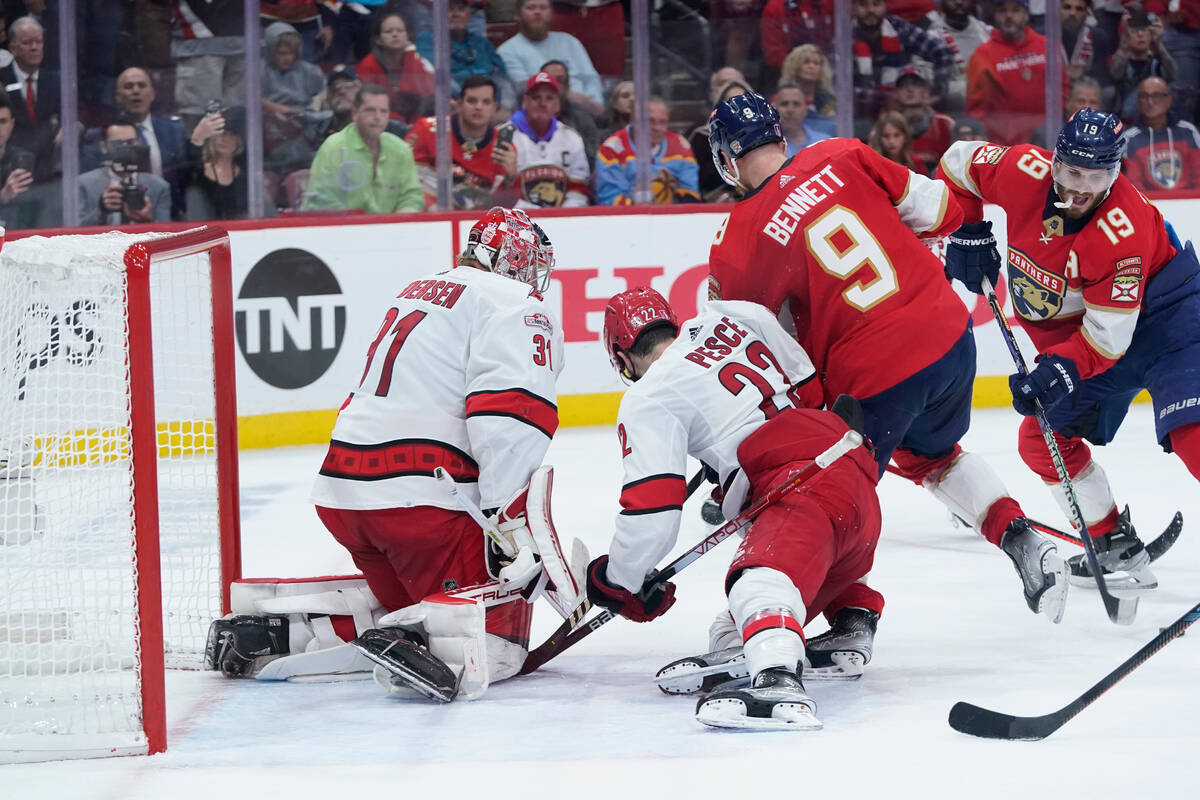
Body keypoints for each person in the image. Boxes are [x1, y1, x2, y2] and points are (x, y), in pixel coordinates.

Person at [706, 92, 1068, 657]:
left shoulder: (739, 238)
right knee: (933, 454)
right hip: (950, 336)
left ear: (727, 159)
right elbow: (943, 211)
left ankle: (821, 618)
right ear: (779, 136)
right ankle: (1021, 537)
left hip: (872, 374)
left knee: (825, 494)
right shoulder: (841, 152)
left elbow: (756, 355)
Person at [208, 208, 569, 701]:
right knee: (496, 641)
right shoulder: (512, 301)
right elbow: (510, 417)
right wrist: (506, 521)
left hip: (343, 494)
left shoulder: (418, 287)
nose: (536, 280)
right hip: (422, 505)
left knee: (417, 602)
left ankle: (280, 631)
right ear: (515, 262)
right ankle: (416, 636)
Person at [589, 286, 881, 730]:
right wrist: (731, 453)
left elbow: (653, 517)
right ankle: (850, 622)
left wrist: (619, 580)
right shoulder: (733, 314)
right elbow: (808, 389)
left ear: (623, 359)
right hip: (854, 474)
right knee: (733, 628)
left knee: (756, 587)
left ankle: (776, 681)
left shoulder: (648, 396)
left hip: (798, 490)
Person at [937, 107, 1200, 587]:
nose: (1080, 188)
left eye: (1096, 176)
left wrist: (1058, 371)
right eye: (1072, 171)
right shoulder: (1024, 171)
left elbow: (1107, 339)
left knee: (1192, 435)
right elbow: (958, 162)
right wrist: (968, 230)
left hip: (1170, 322)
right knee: (1040, 439)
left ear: (1115, 171)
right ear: (1054, 161)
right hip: (1105, 332)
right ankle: (1112, 543)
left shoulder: (1121, 229)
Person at [302, 85, 424, 213]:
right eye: (370, 110)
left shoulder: (400, 149)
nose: (377, 117)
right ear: (355, 113)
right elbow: (323, 201)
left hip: (387, 229)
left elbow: (412, 197)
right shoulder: (333, 147)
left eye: (383, 111)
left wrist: (400, 223)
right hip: (340, 228)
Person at [405, 75, 513, 209]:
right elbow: (404, 180)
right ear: (460, 104)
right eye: (472, 101)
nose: (478, 107)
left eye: (486, 102)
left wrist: (511, 178)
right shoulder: (427, 130)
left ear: (494, 108)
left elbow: (500, 205)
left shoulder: (503, 147)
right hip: (428, 218)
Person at [966, 0, 1058, 145]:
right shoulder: (982, 55)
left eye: (1015, 10)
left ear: (1026, 15)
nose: (1008, 16)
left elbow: (1062, 91)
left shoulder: (1046, 45)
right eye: (1003, 11)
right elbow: (977, 110)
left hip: (1047, 139)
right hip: (1003, 145)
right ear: (995, 16)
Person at [851, 0, 955, 126]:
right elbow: (842, 90)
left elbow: (942, 52)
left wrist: (936, 94)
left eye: (876, 4)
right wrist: (884, 98)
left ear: (885, 6)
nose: (871, 10)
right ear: (853, 8)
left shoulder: (897, 26)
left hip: (901, 108)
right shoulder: (844, 33)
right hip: (859, 112)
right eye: (863, 5)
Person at [112, 66, 188, 220]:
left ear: (152, 94)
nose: (136, 91)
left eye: (142, 85)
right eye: (128, 86)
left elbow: (184, 179)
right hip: (120, 221)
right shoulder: (107, 133)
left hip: (168, 219)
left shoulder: (175, 132)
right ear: (118, 96)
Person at [497, 0, 604, 106]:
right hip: (543, 109)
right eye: (531, 8)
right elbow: (526, 89)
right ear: (518, 15)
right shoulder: (507, 50)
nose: (538, 12)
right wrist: (576, 99)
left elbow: (591, 78)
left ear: (552, 14)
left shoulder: (569, 41)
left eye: (543, 8)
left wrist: (596, 103)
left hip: (588, 108)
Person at [507, 71, 589, 208]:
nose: (543, 103)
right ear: (525, 102)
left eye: (549, 98)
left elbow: (578, 190)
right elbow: (502, 194)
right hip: (518, 221)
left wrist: (563, 217)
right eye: (536, 97)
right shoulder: (504, 136)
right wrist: (541, 216)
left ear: (558, 105)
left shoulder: (572, 138)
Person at [594, 98, 699, 206]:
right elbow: (610, 199)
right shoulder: (611, 149)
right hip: (628, 219)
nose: (657, 128)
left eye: (662, 122)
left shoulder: (681, 146)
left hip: (669, 219)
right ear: (632, 120)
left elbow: (690, 193)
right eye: (650, 121)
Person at [416, 0, 514, 109]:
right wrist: (465, 104)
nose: (455, 14)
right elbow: (436, 76)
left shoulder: (481, 43)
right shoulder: (428, 40)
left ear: (468, 15)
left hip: (490, 106)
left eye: (461, 9)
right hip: (454, 107)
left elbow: (502, 76)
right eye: (449, 10)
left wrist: (503, 107)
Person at [78, 115, 172, 226]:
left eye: (131, 142)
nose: (125, 149)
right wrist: (100, 211)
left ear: (139, 144)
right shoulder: (83, 184)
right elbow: (73, 231)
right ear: (103, 147)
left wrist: (147, 222)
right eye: (118, 144)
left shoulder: (159, 186)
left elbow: (167, 232)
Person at [0, 16, 59, 180]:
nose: (34, 47)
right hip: (8, 169)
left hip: (49, 169)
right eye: (27, 43)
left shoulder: (55, 81)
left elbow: (67, 118)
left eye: (39, 42)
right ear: (13, 48)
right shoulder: (1, 80)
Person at [356, 12, 435, 126]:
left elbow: (429, 99)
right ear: (378, 39)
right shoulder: (367, 65)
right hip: (380, 123)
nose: (395, 34)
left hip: (418, 123)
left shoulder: (417, 60)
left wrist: (417, 124)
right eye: (389, 31)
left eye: (400, 31)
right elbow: (368, 105)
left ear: (407, 35)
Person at [1123, 76, 1200, 192]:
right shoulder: (1130, 139)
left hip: (1189, 203)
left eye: (1156, 95)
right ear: (1138, 102)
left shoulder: (1188, 131)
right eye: (1144, 96)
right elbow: (1135, 187)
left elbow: (1198, 177)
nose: (1150, 102)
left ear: (1169, 100)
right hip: (1151, 204)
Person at [1109, 10, 1178, 122]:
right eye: (1134, 31)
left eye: (1144, 30)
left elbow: (1173, 75)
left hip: (1155, 117)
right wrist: (1124, 45)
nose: (1140, 34)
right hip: (1126, 120)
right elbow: (1115, 74)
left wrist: (1158, 44)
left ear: (1151, 35)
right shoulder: (1121, 62)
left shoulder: (1156, 63)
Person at [926, 0, 992, 112]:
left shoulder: (988, 33)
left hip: (992, 112)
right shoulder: (929, 39)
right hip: (952, 114)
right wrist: (974, 89)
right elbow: (930, 85)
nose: (959, 2)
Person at [186, 104, 247, 220]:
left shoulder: (248, 177)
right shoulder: (197, 173)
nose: (223, 139)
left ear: (239, 141)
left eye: (231, 134)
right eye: (220, 133)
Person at [891, 66, 955, 173]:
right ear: (896, 93)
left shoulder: (946, 123)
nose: (909, 90)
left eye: (916, 84)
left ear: (926, 92)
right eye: (903, 85)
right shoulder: (884, 126)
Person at [538, 59, 601, 163]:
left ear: (568, 87)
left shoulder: (582, 119)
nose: (554, 85)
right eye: (548, 80)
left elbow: (592, 159)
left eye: (560, 80)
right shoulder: (522, 118)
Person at [760, 0, 835, 70]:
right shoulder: (775, 7)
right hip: (791, 73)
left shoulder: (829, 3)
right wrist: (805, 65)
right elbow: (774, 55)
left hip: (830, 69)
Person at [779, 45, 836, 119]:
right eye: (806, 62)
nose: (811, 66)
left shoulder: (828, 101)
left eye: (816, 63)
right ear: (795, 66)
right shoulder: (781, 98)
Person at [774, 84, 831, 156]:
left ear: (805, 110)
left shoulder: (824, 141)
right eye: (784, 104)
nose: (790, 110)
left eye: (796, 104)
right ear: (774, 110)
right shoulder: (769, 147)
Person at [868, 109, 926, 174]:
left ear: (905, 137)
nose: (891, 141)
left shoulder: (916, 163)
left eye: (897, 135)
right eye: (886, 136)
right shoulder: (873, 164)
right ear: (879, 139)